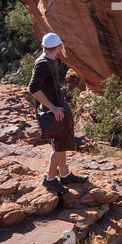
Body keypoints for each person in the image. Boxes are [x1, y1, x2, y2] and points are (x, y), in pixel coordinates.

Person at [27, 32, 88, 194]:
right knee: (59, 148)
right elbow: (33, 89)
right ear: (59, 47)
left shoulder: (48, 61)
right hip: (55, 113)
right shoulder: (43, 64)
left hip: (59, 111)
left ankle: (64, 174)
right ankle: (49, 179)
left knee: (62, 145)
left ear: (43, 46)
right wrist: (52, 108)